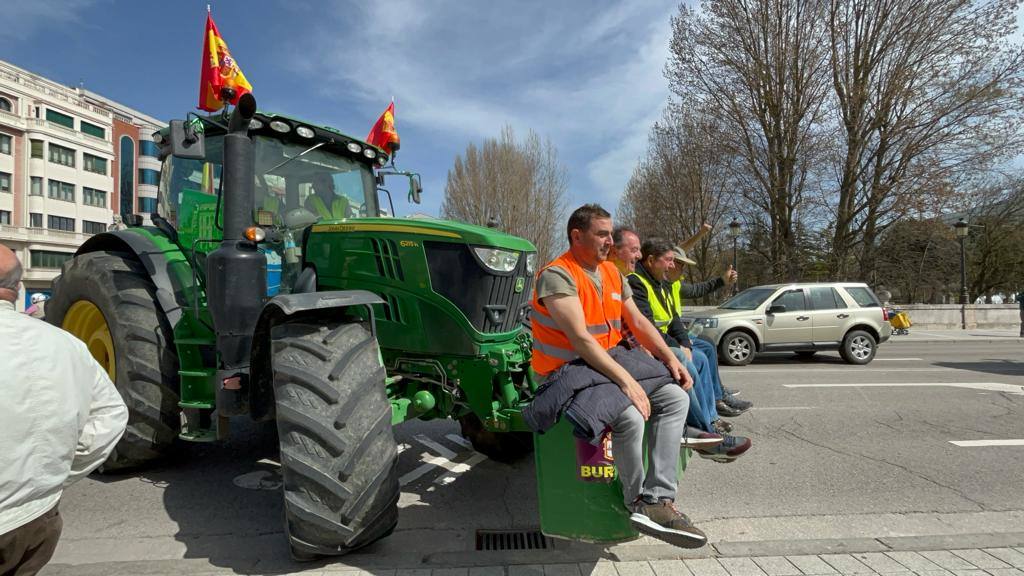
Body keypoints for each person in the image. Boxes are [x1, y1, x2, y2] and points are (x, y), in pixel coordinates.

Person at [524, 204, 706, 548]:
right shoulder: (557, 276)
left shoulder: (610, 273)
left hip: (606, 365)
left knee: (675, 397)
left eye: (611, 233)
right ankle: (636, 501)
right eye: (602, 234)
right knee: (631, 417)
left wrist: (670, 358)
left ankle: (658, 499)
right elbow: (580, 340)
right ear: (577, 236)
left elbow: (637, 321)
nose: (610, 240)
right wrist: (628, 382)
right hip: (566, 373)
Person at [0, 244, 129, 575]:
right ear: (16, 288)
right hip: (37, 520)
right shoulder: (66, 344)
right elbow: (112, 415)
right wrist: (52, 475)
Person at [628, 238, 751, 462]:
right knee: (688, 365)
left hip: (664, 341)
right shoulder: (636, 281)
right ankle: (707, 436)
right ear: (652, 260)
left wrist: (684, 343)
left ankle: (711, 415)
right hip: (649, 346)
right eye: (670, 261)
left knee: (702, 354)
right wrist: (677, 348)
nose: (674, 266)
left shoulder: (658, 281)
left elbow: (672, 319)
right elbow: (645, 326)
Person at [666, 246, 753, 415]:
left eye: (683, 265)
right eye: (679, 263)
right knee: (701, 355)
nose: (682, 269)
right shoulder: (655, 284)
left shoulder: (674, 284)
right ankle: (714, 405)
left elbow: (698, 290)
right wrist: (682, 341)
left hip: (674, 336)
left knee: (707, 343)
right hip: (666, 340)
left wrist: (722, 280)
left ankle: (718, 394)